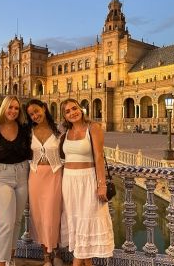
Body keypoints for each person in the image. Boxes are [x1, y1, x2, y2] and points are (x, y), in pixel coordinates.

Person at [60, 98, 114, 266]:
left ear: (81, 109)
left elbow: (98, 157)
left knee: (86, 223)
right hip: (69, 182)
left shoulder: (93, 128)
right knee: (77, 224)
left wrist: (102, 185)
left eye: (74, 108)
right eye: (67, 111)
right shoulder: (65, 133)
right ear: (64, 116)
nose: (72, 113)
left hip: (88, 180)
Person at [0, 95, 31, 266]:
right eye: (10, 107)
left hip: (22, 174)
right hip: (1, 176)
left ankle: (10, 259)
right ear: (3, 108)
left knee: (17, 221)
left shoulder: (24, 127)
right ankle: (1, 262)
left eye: (16, 108)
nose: (13, 111)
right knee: (6, 223)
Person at [25, 99, 64, 266]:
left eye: (36, 111)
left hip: (54, 174)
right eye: (31, 114)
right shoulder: (29, 131)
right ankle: (46, 255)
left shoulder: (59, 130)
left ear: (44, 108)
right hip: (35, 176)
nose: (35, 116)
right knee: (39, 215)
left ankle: (55, 250)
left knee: (54, 214)